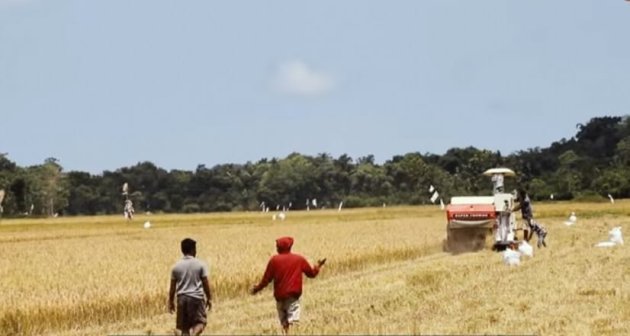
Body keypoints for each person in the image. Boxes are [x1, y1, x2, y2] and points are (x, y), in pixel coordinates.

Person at [250, 236, 326, 335]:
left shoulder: (274, 261)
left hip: (279, 298)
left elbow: (266, 280)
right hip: (293, 297)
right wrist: (318, 266)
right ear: (290, 247)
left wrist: (257, 289)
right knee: (293, 324)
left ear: (278, 248)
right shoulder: (299, 259)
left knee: (284, 326)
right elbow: (312, 274)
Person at [169, 238, 213, 336]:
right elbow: (205, 283)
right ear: (193, 250)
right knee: (200, 322)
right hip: (196, 298)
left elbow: (172, 288)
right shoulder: (200, 264)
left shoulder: (176, 267)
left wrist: (171, 302)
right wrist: (209, 298)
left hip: (181, 299)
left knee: (183, 328)